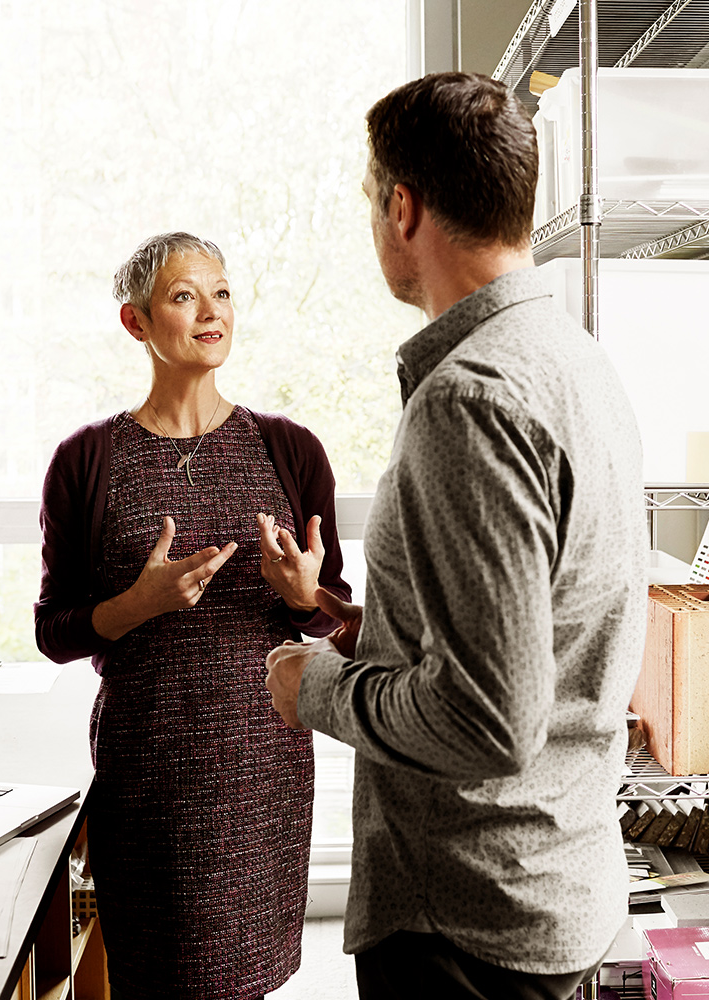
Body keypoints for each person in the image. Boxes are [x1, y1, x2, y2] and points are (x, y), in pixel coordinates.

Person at [265, 72, 648, 1000]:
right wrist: (377, 636)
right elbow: (533, 635)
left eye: (370, 198)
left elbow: (489, 722)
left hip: (468, 930)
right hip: (552, 889)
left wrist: (315, 686)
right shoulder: (573, 359)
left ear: (403, 207)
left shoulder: (469, 402)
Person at [34, 231, 351, 1000]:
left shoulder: (290, 450)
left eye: (222, 293)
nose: (212, 312)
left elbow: (332, 615)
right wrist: (138, 604)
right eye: (184, 296)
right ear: (136, 323)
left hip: (263, 773)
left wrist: (306, 595)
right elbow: (54, 631)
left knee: (243, 982)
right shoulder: (86, 462)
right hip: (151, 771)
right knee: (159, 977)